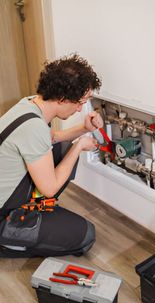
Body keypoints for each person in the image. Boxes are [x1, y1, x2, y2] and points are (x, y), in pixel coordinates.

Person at [0, 54, 103, 258]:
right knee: (85, 236)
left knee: (62, 150)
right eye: (79, 102)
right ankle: (10, 239)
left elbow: (52, 137)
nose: (80, 108)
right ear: (63, 98)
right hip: (3, 214)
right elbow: (49, 188)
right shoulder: (34, 127)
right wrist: (79, 146)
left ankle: (30, 215)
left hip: (8, 192)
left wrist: (84, 128)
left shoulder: (30, 104)